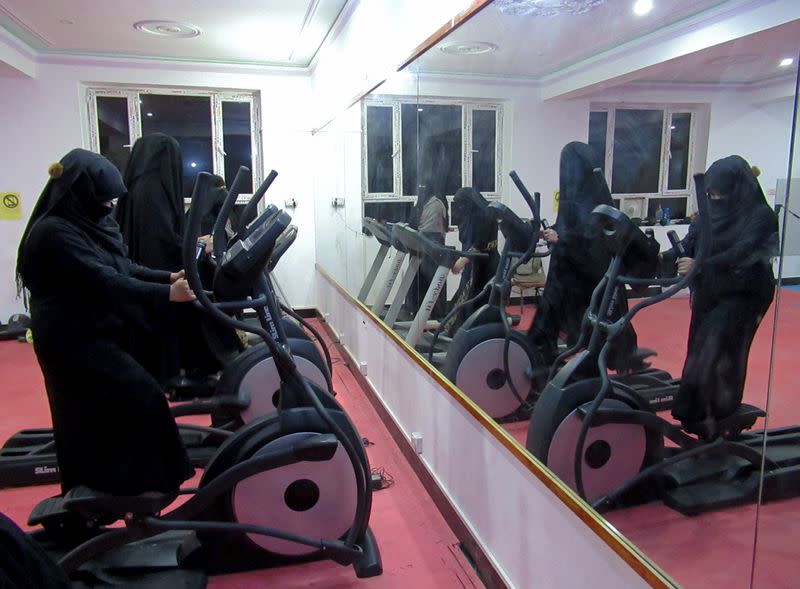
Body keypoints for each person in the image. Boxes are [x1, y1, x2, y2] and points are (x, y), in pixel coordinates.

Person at [16, 149, 195, 495]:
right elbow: (103, 279)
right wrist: (166, 295)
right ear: (80, 194)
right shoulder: (55, 232)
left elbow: (123, 267)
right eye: (104, 199)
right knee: (130, 398)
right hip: (69, 338)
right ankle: (116, 487)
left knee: (103, 409)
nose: (109, 206)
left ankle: (118, 484)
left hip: (95, 329)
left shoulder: (91, 224)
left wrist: (167, 276)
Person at [525, 141, 654, 376]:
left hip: (592, 271)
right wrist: (554, 231)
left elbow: (591, 236)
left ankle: (620, 358)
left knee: (597, 319)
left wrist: (562, 237)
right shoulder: (572, 195)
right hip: (571, 267)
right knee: (555, 310)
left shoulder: (592, 194)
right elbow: (571, 224)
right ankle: (542, 353)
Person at [668, 155, 777, 427]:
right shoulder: (708, 213)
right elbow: (690, 243)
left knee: (718, 349)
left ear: (736, 190)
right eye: (710, 194)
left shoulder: (760, 216)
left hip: (745, 293)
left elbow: (742, 254)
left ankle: (720, 410)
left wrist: (700, 266)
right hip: (711, 288)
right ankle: (694, 412)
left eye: (719, 194)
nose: (714, 198)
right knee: (698, 348)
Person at [445, 186, 499, 333]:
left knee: (472, 299)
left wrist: (460, 263)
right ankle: (459, 330)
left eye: (461, 203)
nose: (459, 208)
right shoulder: (473, 215)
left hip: (483, 266)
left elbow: (478, 244)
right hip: (477, 263)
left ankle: (465, 332)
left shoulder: (482, 216)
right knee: (468, 299)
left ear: (468, 203)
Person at [406, 183, 449, 318]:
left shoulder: (435, 203)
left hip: (432, 246)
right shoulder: (425, 204)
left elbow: (443, 226)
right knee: (419, 281)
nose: (421, 191)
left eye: (424, 187)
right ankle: (420, 313)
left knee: (433, 281)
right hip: (420, 245)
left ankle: (435, 315)